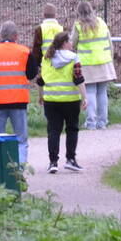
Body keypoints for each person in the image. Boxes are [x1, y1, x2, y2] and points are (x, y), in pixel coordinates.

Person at [0, 20, 39, 165]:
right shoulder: (24, 51)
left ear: (0, 35)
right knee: (21, 140)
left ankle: (0, 173)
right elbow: (32, 74)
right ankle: (19, 173)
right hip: (18, 102)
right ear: (16, 36)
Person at [37, 31, 88, 173]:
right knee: (72, 129)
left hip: (51, 100)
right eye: (70, 41)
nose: (72, 44)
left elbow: (40, 80)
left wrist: (40, 96)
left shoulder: (47, 58)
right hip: (70, 100)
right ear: (65, 43)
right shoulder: (73, 58)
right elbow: (78, 79)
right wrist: (85, 97)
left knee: (53, 131)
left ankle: (53, 162)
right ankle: (70, 159)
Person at [71, 1, 116, 130]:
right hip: (104, 61)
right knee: (102, 92)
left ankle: (91, 122)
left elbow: (72, 42)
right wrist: (110, 59)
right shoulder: (101, 22)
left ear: (78, 13)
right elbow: (109, 42)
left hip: (87, 63)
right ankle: (102, 122)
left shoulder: (78, 25)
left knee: (90, 92)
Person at [30, 3, 64, 104]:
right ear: (55, 15)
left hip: (45, 63)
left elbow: (37, 48)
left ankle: (43, 101)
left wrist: (36, 64)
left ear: (43, 15)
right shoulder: (61, 28)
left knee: (43, 84)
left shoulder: (40, 29)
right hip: (60, 62)